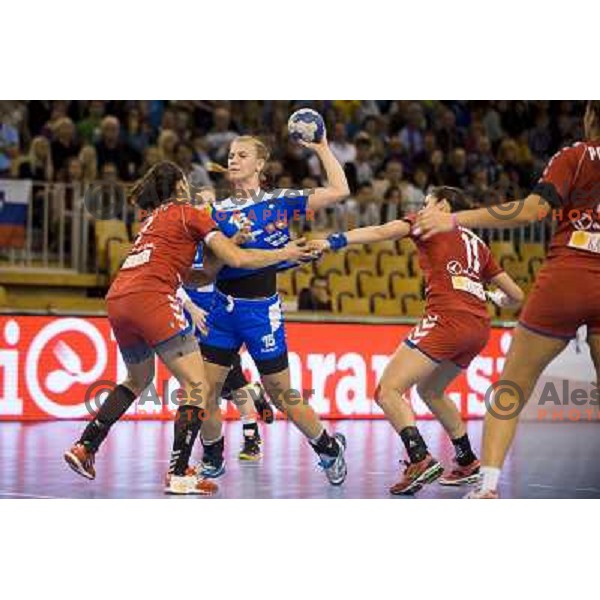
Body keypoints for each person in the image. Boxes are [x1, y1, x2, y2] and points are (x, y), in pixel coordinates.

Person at [63, 160, 314, 495]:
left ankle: (86, 446)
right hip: (152, 298)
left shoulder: (152, 219)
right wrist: (285, 252)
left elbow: (200, 275)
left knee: (138, 379)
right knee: (198, 384)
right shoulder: (190, 213)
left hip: (119, 297)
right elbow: (239, 261)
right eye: (187, 183)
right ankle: (180, 472)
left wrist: (227, 247)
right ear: (180, 187)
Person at [415, 101, 600, 499]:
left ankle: (488, 488)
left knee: (510, 387)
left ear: (590, 119)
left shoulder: (576, 155)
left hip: (569, 275)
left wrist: (455, 219)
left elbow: (532, 211)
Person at [310, 186, 523, 495]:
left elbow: (383, 230)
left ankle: (419, 458)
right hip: (478, 327)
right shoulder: (478, 243)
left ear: (443, 205)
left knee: (388, 390)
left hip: (446, 319)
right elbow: (516, 296)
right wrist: (495, 296)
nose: (422, 208)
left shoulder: (429, 222)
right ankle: (466, 460)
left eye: (426, 203)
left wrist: (335, 240)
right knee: (431, 390)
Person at [189, 132, 350, 486]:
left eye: (241, 155)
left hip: (262, 312)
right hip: (221, 310)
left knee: (281, 396)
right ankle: (213, 456)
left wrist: (321, 147)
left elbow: (339, 191)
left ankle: (327, 447)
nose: (232, 159)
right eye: (230, 155)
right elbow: (208, 269)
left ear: (260, 165)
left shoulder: (280, 201)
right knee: (204, 392)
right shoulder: (214, 212)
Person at [179, 199, 275, 464]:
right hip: (189, 321)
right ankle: (254, 395)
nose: (201, 209)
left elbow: (233, 269)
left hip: (216, 321)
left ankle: (251, 438)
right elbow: (172, 278)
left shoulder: (221, 241)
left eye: (206, 205)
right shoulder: (183, 240)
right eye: (196, 204)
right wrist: (188, 306)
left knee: (231, 381)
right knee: (213, 389)